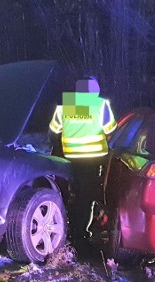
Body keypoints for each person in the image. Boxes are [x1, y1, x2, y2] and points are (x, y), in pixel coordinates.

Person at [49, 76, 116, 244]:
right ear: (95, 90)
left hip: (70, 157)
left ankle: (67, 228)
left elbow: (54, 129)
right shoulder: (100, 105)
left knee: (72, 194)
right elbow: (111, 128)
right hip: (93, 157)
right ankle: (81, 235)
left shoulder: (67, 105)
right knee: (87, 197)